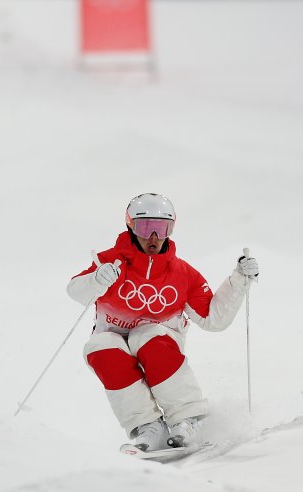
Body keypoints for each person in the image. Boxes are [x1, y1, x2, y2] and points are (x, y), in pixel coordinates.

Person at [67, 193, 259, 451]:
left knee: (146, 336)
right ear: (131, 226)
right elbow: (75, 291)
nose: (154, 237)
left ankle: (188, 418)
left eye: (162, 228)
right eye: (146, 227)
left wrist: (239, 281)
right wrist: (97, 280)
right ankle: (149, 427)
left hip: (159, 341)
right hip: (113, 336)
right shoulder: (109, 262)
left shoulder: (182, 274)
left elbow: (214, 319)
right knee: (98, 348)